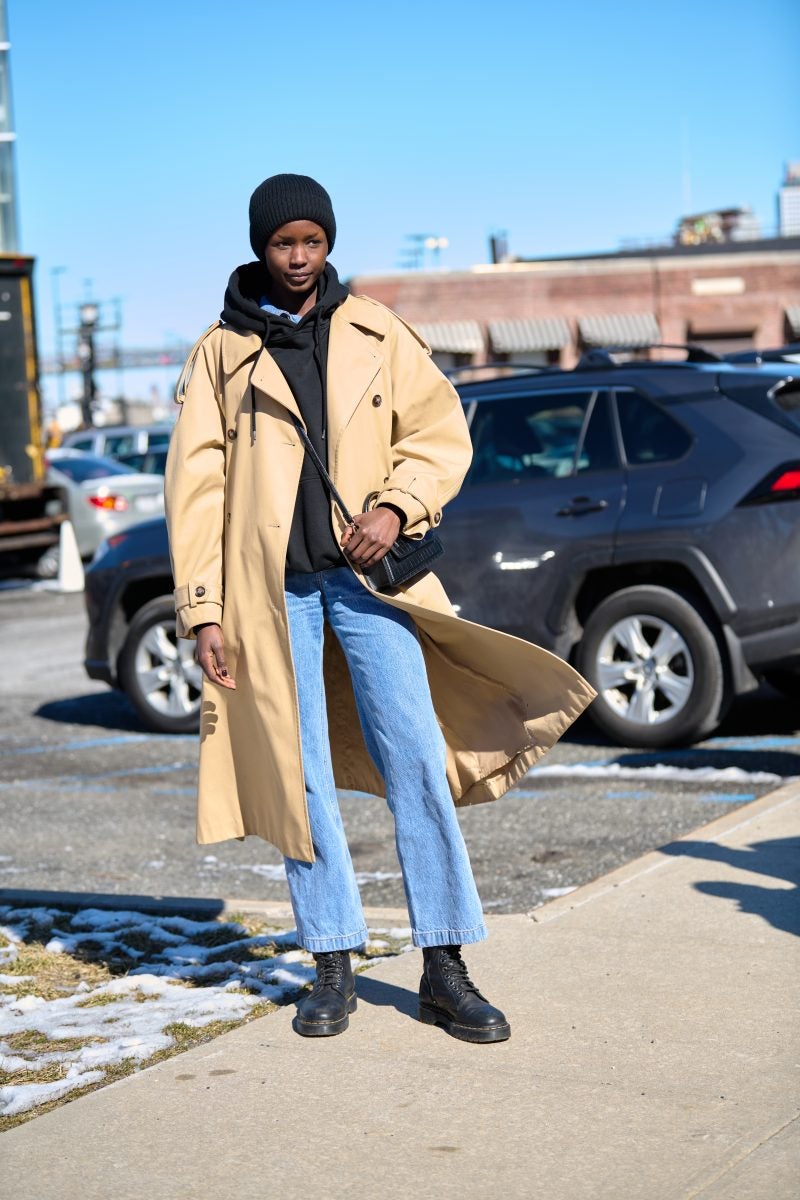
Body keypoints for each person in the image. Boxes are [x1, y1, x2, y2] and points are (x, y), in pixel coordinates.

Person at [165, 174, 594, 1043]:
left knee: (417, 767)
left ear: (328, 242)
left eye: (312, 242)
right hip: (269, 594)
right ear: (260, 247)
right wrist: (205, 610)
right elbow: (197, 489)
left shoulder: (375, 328)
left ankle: (444, 965)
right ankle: (330, 962)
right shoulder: (219, 352)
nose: (298, 258)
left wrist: (395, 505)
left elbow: (438, 434)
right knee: (301, 779)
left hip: (371, 586)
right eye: (283, 243)